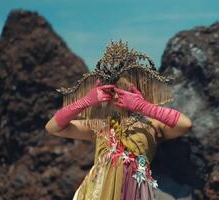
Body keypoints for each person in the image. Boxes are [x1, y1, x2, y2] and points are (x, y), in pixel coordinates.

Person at [44, 41, 192, 199]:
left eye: (123, 90)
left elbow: (185, 125)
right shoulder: (100, 125)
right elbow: (53, 127)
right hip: (96, 193)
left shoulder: (152, 125)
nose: (117, 95)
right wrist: (85, 102)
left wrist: (143, 106)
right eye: (112, 90)